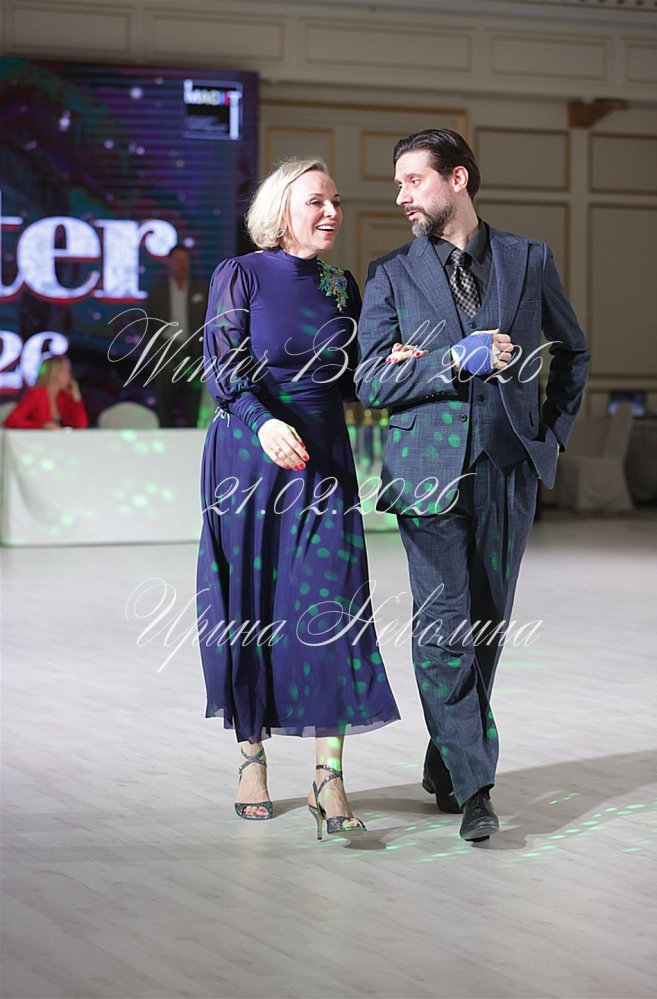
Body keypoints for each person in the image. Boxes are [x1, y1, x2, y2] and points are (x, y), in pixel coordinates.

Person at [355, 129, 589, 842]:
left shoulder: (528, 259)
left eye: (413, 180)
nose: (401, 196)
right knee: (442, 626)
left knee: (486, 625)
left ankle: (449, 759)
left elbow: (573, 353)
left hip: (508, 467)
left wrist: (548, 437)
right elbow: (369, 380)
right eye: (398, 183)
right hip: (424, 473)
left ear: (457, 178)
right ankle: (479, 786)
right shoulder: (391, 273)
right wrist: (452, 361)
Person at [197, 157, 400, 837]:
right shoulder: (241, 274)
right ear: (282, 209)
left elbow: (350, 379)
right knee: (250, 606)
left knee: (330, 608)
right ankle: (251, 757)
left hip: (324, 461)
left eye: (336, 201)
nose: (332, 212)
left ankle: (328, 775)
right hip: (249, 457)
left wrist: (388, 363)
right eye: (317, 201)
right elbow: (223, 369)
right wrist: (264, 423)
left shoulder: (342, 284)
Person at [145, 244, 208, 427]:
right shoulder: (157, 292)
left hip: (194, 354)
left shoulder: (202, 289)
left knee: (194, 408)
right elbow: (148, 327)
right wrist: (157, 353)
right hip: (167, 354)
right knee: (165, 407)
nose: (181, 265)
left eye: (185, 260)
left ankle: (193, 442)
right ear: (169, 263)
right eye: (177, 260)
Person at [3, 355, 88, 429]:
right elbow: (11, 421)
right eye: (67, 372)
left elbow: (81, 426)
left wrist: (77, 399)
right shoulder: (36, 394)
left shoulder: (65, 397)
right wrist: (41, 426)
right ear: (56, 374)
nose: (70, 377)